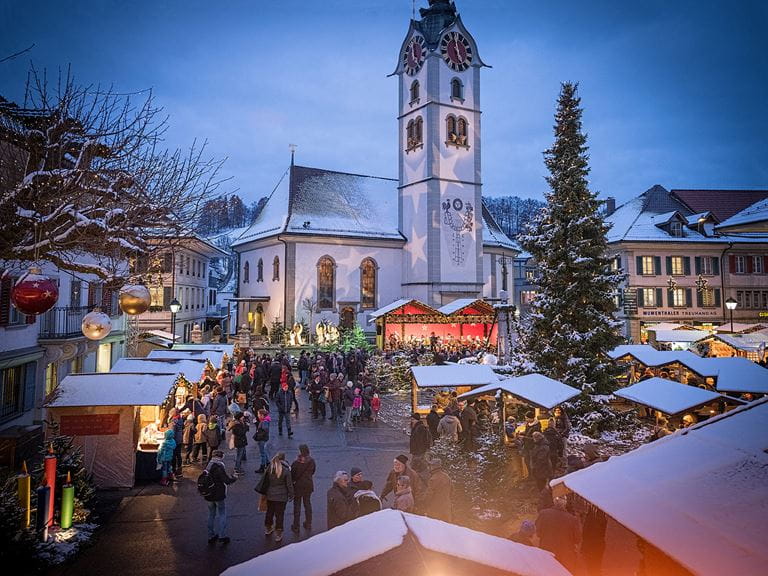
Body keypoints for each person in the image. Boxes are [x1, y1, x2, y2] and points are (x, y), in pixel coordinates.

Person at [535, 496, 582, 574]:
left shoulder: (543, 514)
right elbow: (577, 539)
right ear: (565, 503)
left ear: (554, 501)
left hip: (547, 552)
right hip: (565, 556)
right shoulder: (573, 519)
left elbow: (538, 533)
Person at [204, 449, 237, 545]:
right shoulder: (219, 467)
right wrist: (234, 478)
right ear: (220, 457)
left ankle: (211, 535)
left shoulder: (208, 466)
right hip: (218, 494)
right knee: (222, 513)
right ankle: (222, 536)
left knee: (211, 514)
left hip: (209, 494)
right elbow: (226, 480)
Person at [264, 452, 294, 542]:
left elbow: (265, 481)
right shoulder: (286, 470)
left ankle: (268, 528)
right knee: (279, 514)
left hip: (270, 494)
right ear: (284, 459)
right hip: (281, 496)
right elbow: (289, 484)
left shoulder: (270, 468)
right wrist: (291, 495)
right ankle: (278, 533)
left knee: (269, 512)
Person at [290, 444, 316, 533]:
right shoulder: (311, 461)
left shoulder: (296, 462)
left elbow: (292, 474)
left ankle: (296, 526)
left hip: (298, 486)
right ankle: (308, 523)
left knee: (297, 506)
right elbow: (313, 471)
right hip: (308, 485)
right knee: (307, 504)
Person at [423, 457, 452, 522]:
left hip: (435, 510)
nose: (429, 467)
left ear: (434, 467)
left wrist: (423, 505)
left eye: (430, 465)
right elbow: (451, 492)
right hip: (446, 508)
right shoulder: (447, 477)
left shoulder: (433, 479)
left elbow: (429, 495)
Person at [227, 411, 247, 475]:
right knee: (239, 456)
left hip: (240, 441)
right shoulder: (237, 425)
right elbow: (240, 433)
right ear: (239, 417)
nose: (243, 417)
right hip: (239, 441)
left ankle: (238, 467)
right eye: (242, 416)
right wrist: (246, 427)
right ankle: (237, 469)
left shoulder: (236, 423)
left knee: (239, 455)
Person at [254, 408, 271, 473]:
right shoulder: (265, 420)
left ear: (262, 415)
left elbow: (264, 430)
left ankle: (262, 466)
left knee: (262, 453)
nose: (257, 415)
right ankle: (267, 462)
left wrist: (259, 436)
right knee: (264, 451)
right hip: (264, 439)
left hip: (262, 439)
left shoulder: (264, 422)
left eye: (258, 414)